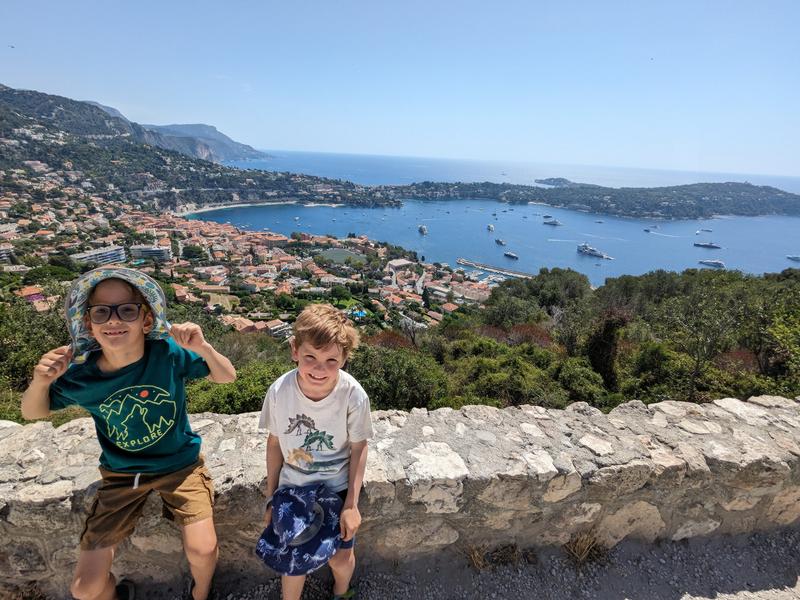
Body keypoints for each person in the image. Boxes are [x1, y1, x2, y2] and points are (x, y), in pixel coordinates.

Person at [21, 268, 236, 600]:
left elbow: (226, 376)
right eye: (102, 311)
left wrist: (204, 348)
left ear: (146, 320)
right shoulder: (82, 377)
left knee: (203, 551)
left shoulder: (167, 354)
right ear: (89, 324)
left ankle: (201, 593)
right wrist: (41, 381)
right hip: (122, 476)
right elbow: (33, 412)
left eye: (127, 309)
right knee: (84, 589)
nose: (113, 320)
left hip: (180, 466)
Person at [260, 303, 373, 600]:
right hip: (293, 486)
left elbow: (360, 447)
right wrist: (271, 497)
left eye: (331, 360)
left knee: (341, 556)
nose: (319, 369)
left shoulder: (353, 395)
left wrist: (351, 504)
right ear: (295, 350)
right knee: (293, 561)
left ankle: (341, 591)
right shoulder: (279, 392)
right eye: (310, 357)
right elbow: (274, 444)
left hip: (335, 486)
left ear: (344, 359)